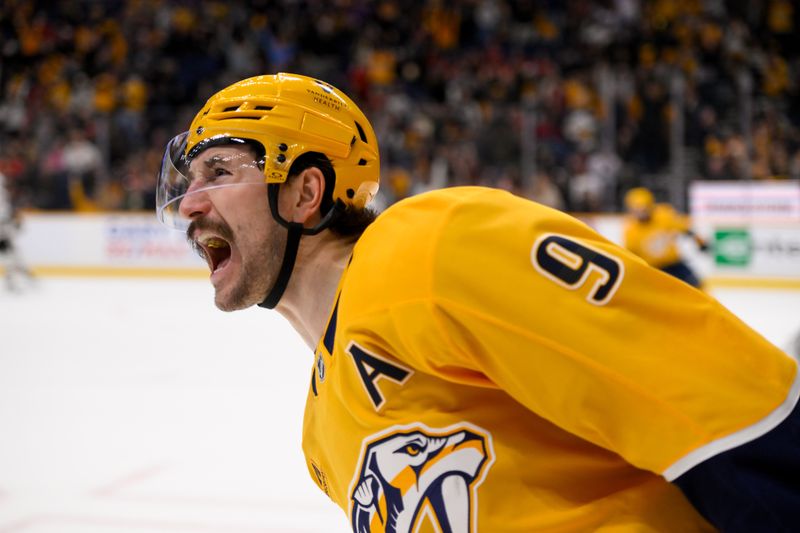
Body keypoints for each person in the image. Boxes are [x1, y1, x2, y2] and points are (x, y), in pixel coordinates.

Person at [156, 73, 799, 532]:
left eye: (219, 172)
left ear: (306, 192)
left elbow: (721, 409)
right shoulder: (320, 438)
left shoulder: (431, 247)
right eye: (188, 183)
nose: (188, 204)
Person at [622, 187, 707, 288]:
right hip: (654, 270)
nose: (641, 213)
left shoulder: (664, 214)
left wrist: (699, 241)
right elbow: (632, 255)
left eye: (644, 209)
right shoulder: (630, 230)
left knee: (697, 287)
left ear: (651, 205)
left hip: (674, 264)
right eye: (637, 210)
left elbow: (684, 229)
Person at [0, 171, 34, 292]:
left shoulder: (4, 196)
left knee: (10, 252)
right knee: (10, 253)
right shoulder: (3, 196)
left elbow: (9, 213)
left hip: (4, 230)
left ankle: (14, 277)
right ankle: (14, 277)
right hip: (3, 229)